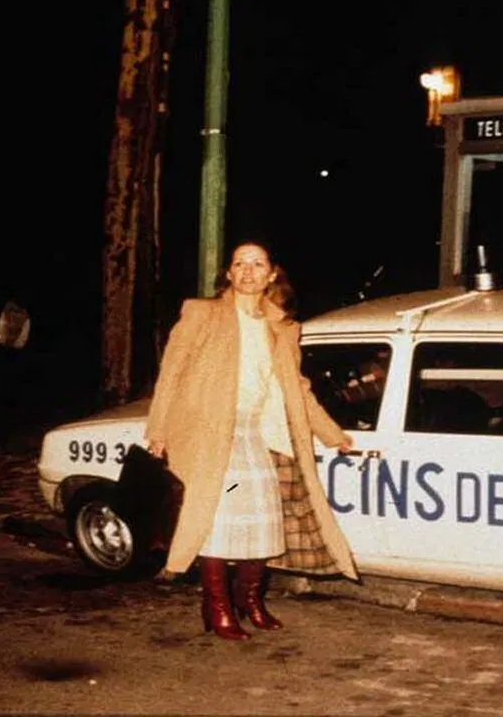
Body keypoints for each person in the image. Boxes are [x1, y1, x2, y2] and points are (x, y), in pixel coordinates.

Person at [144, 240, 360, 641]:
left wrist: (334, 436)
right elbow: (170, 374)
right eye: (239, 263)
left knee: (263, 522)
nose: (248, 270)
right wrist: (158, 430)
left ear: (271, 274)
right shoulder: (201, 314)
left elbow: (297, 390)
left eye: (257, 263)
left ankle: (249, 600)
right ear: (228, 273)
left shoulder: (281, 328)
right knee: (214, 520)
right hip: (211, 437)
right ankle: (218, 606)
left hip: (255, 436)